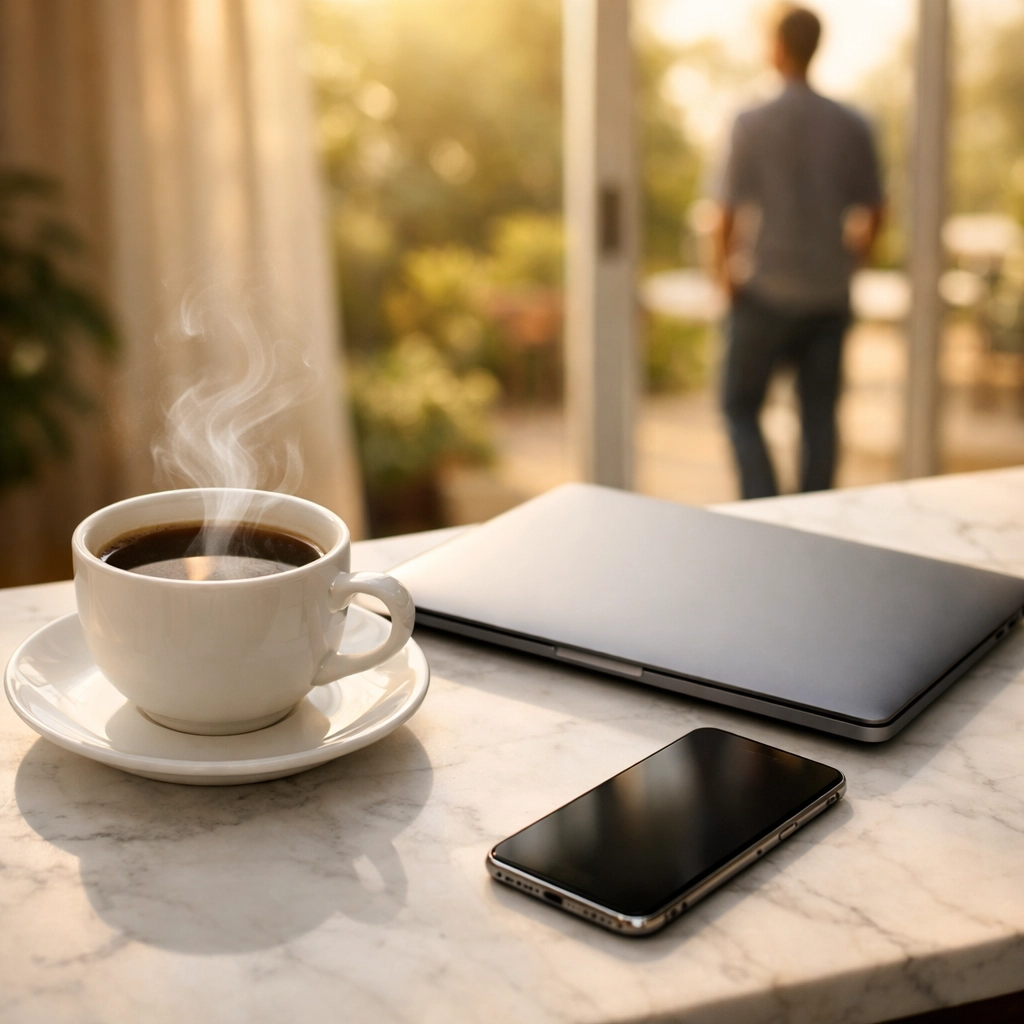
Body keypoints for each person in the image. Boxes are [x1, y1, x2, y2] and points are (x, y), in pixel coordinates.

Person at [714, 4, 884, 499]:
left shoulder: (751, 121)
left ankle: (765, 508)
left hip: (765, 290)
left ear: (777, 48)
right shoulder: (853, 123)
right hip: (828, 292)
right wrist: (853, 260)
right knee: (819, 419)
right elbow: (875, 208)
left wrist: (725, 276)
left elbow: (725, 211)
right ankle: (815, 516)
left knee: (739, 407)